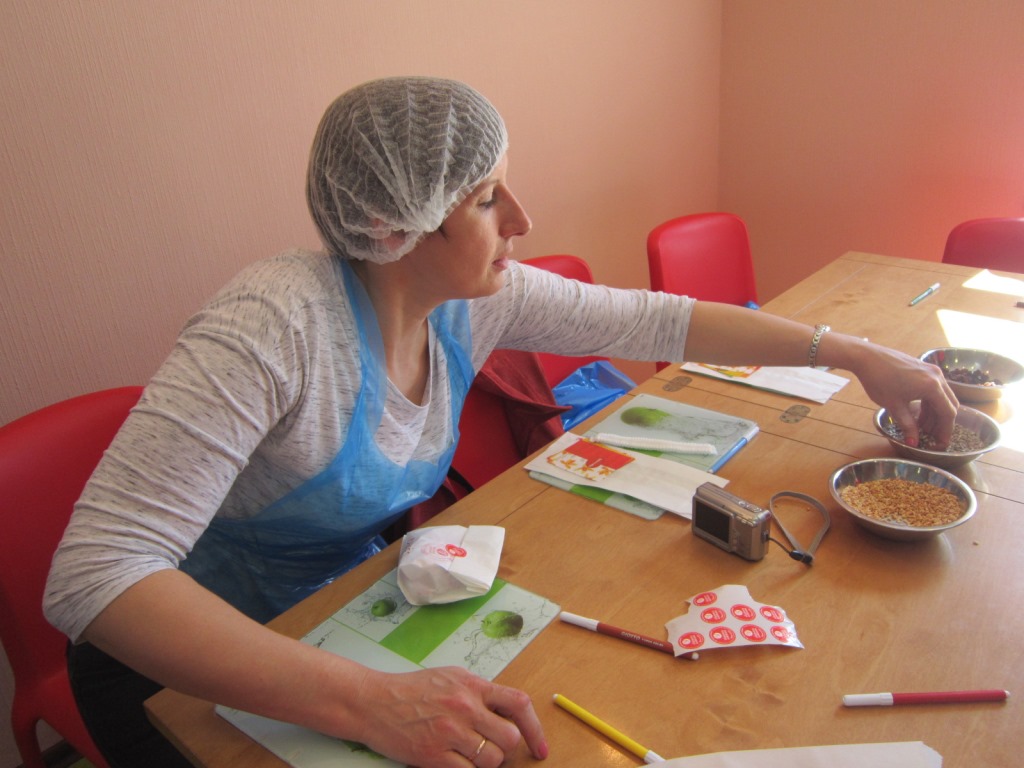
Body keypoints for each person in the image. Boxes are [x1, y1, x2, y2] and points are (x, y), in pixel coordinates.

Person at [44, 76, 957, 768]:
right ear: (391, 224)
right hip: (174, 670)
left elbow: (657, 321)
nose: (523, 219)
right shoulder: (274, 327)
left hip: (334, 614)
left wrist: (853, 352)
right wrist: (369, 704)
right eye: (487, 200)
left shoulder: (473, 299)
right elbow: (94, 576)